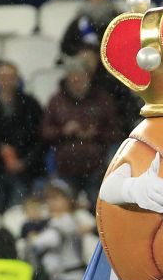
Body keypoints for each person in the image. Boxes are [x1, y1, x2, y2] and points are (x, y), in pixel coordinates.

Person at [40, 58, 120, 207]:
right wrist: (64, 131)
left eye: (80, 77)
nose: (77, 81)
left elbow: (116, 132)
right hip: (65, 167)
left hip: (97, 168)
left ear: (88, 77)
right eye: (73, 77)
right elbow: (45, 132)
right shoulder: (56, 101)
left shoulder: (103, 100)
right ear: (67, 78)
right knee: (63, 208)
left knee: (99, 208)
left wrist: (96, 133)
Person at [0, 61, 45, 212]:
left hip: (23, 171)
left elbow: (39, 139)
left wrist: (25, 162)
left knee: (18, 211)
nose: (6, 80)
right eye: (2, 76)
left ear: (17, 79)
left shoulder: (30, 104)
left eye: (10, 76)